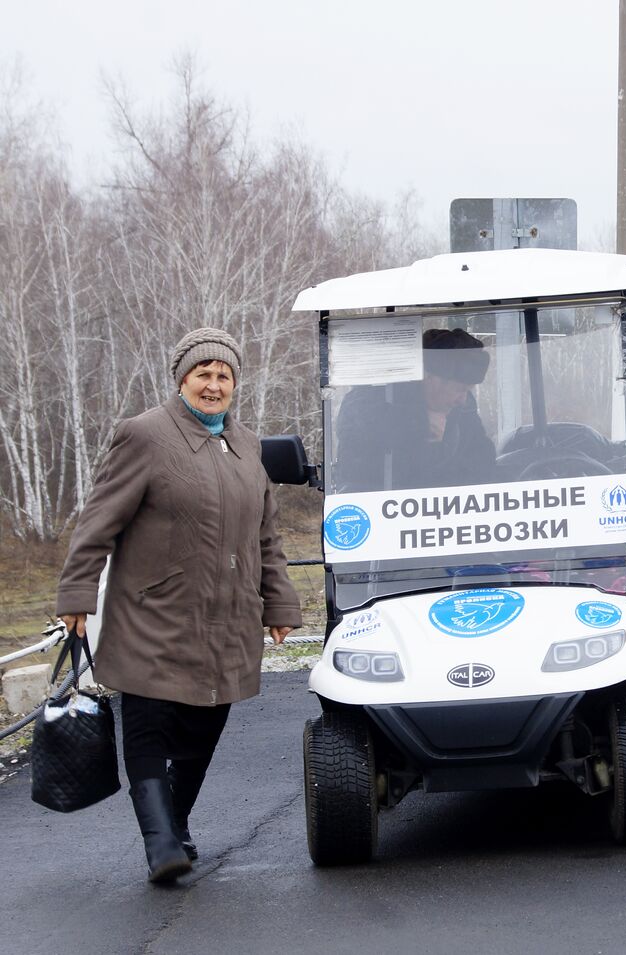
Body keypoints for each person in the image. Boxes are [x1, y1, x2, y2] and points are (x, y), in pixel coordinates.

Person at [55, 327, 303, 883]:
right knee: (149, 722)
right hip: (154, 610)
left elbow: (267, 535)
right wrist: (76, 593)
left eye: (224, 376)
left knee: (205, 722)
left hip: (228, 614)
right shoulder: (144, 436)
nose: (214, 385)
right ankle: (161, 842)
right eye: (203, 374)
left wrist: (279, 603)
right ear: (181, 378)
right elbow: (99, 523)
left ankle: (178, 822)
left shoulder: (247, 446)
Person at [333, 328, 494, 492]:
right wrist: (419, 423)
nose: (463, 399)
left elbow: (482, 461)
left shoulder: (462, 408)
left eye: (468, 390)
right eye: (460, 389)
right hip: (381, 508)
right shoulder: (378, 396)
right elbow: (354, 426)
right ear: (431, 377)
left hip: (442, 509)